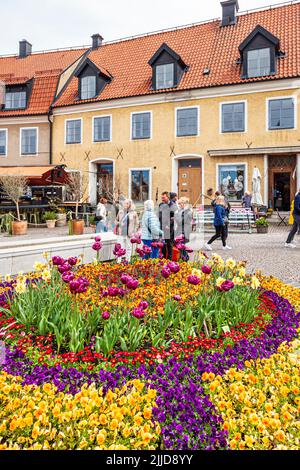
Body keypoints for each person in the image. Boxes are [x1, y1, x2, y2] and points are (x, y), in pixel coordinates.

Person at [159, 191, 175, 260]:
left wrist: (168, 225)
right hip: (162, 227)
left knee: (169, 245)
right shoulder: (160, 205)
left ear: (168, 197)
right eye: (161, 197)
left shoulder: (172, 205)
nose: (162, 199)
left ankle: (169, 260)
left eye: (163, 197)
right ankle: (163, 259)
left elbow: (174, 217)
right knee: (163, 244)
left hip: (170, 228)